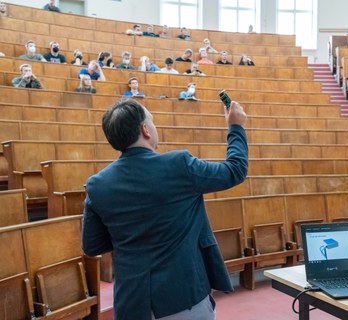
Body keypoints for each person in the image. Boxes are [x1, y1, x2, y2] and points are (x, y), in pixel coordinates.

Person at [82, 97, 248, 319]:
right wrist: (235, 126)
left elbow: (92, 246)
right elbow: (235, 170)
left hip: (132, 303)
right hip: (184, 298)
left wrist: (131, 237)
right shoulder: (179, 165)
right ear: (145, 130)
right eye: (152, 121)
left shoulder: (97, 184)